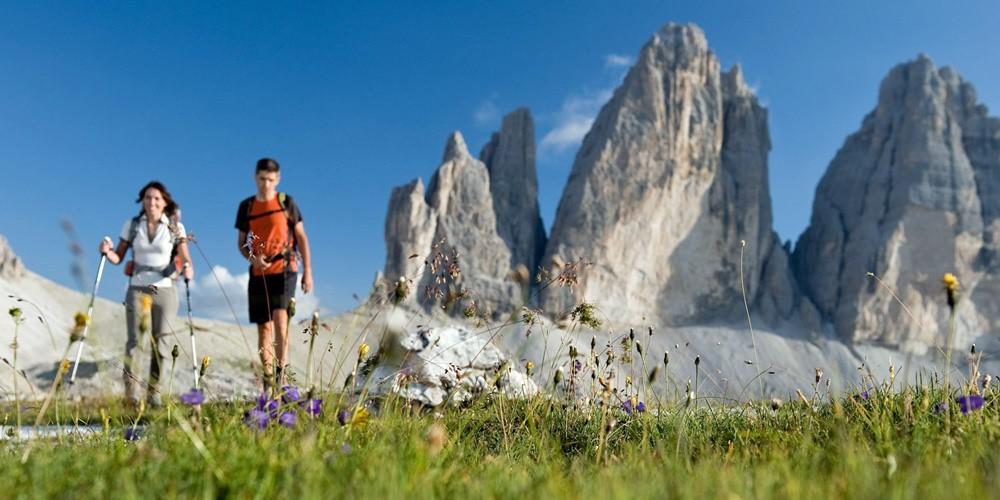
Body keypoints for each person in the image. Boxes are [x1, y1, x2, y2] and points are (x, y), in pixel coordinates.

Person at [99, 181, 194, 407]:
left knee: (161, 341)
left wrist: (187, 267)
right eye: (148, 198)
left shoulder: (174, 227)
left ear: (164, 202)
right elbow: (118, 257)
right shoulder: (132, 225)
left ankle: (154, 394)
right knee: (134, 341)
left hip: (165, 287)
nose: (152, 202)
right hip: (137, 286)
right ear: (142, 201)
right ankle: (131, 394)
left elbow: (185, 256)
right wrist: (106, 251)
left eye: (157, 198)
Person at [235, 158, 313, 390]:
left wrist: (307, 272)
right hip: (259, 272)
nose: (265, 184)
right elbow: (241, 243)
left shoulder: (286, 202)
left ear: (277, 179)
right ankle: (268, 382)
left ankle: (282, 378)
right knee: (263, 327)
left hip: (285, 267)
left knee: (281, 321)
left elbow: (301, 237)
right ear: (254, 177)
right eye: (261, 179)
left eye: (270, 180)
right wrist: (253, 259)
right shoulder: (246, 206)